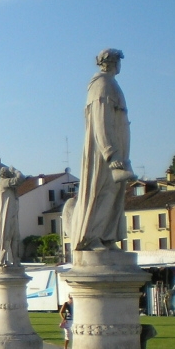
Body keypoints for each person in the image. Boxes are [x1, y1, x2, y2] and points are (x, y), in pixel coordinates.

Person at [70, 49, 136, 252]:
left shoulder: (110, 84)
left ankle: (106, 236)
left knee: (113, 193)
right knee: (102, 191)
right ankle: (92, 237)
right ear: (113, 63)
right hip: (105, 152)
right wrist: (110, 152)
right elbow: (101, 120)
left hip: (117, 149)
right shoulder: (102, 85)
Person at [0, 166, 24, 268]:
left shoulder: (9, 186)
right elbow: (20, 179)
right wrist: (16, 170)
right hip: (6, 215)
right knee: (5, 237)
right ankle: (1, 260)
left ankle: (16, 261)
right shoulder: (3, 182)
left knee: (15, 238)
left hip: (12, 215)